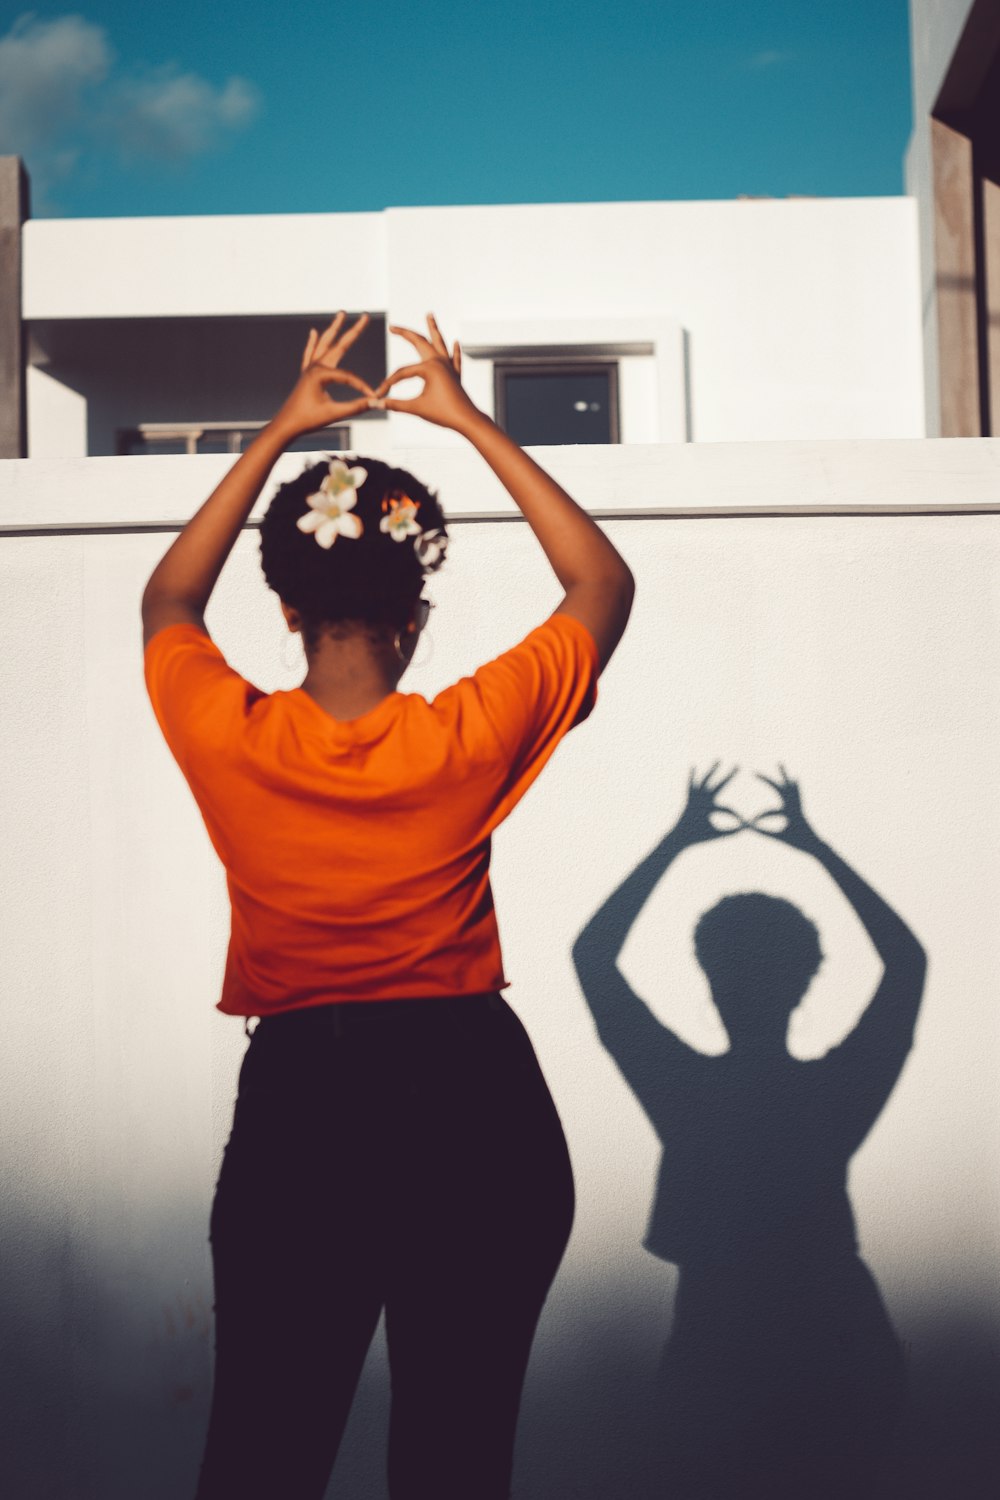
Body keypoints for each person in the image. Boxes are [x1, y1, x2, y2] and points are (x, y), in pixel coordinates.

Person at [141, 311, 635, 1500]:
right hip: (474, 1100)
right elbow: (600, 580)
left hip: (304, 1104)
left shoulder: (223, 728)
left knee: (261, 1454)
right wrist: (468, 422)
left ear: (289, 612)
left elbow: (168, 599)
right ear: (412, 617)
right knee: (456, 1463)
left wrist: (280, 431)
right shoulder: (463, 733)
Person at [572, 766, 926, 1499]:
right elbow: (908, 963)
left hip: (722, 1339)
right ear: (806, 979)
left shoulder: (686, 1092)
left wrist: (675, 844)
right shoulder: (833, 1094)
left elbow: (593, 957)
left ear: (707, 978)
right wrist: (816, 849)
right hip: (838, 1340)